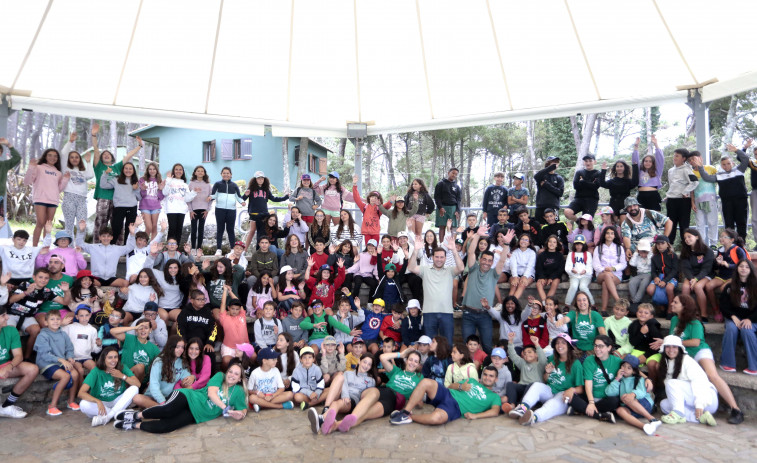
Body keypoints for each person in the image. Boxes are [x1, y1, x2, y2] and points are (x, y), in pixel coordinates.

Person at [648, 295, 744, 424]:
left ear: (684, 306)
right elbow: (673, 338)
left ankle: (735, 409)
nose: (672, 304)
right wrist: (666, 341)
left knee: (712, 375)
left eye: (675, 302)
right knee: (659, 367)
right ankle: (664, 401)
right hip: (682, 353)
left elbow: (695, 342)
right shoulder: (674, 319)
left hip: (699, 351)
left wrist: (675, 342)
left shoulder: (695, 322)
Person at [116, 360, 248, 432]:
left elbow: (243, 408)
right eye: (230, 371)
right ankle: (134, 416)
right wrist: (226, 409)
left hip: (198, 414)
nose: (231, 375)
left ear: (239, 379)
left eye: (236, 374)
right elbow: (212, 393)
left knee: (166, 426)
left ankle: (134, 425)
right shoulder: (220, 376)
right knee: (167, 410)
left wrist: (240, 414)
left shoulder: (239, 391)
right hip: (188, 397)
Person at [325, 349, 423, 433]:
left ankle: (336, 425)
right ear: (406, 360)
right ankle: (351, 416)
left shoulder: (419, 378)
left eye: (415, 361)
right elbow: (382, 357)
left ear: (418, 364)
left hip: (392, 399)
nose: (412, 363)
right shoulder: (397, 371)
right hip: (382, 390)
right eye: (410, 359)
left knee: (365, 415)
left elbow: (420, 399)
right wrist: (400, 354)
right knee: (373, 393)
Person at [511, 333, 584, 426]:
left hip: (563, 395)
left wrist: (572, 390)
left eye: (563, 343)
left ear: (569, 346)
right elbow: (545, 380)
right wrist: (548, 372)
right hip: (550, 391)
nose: (559, 345)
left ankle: (533, 417)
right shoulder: (552, 358)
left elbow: (580, 389)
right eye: (557, 343)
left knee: (551, 404)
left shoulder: (576, 364)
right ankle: (522, 408)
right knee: (537, 385)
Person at [391, 365, 502, 426]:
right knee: (425, 382)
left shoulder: (494, 396)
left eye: (491, 376)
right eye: (486, 375)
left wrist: (475, 416)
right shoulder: (472, 381)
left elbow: (495, 411)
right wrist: (460, 387)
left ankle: (409, 417)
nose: (487, 378)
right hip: (448, 394)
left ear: (496, 379)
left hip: (456, 408)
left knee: (436, 418)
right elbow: (450, 386)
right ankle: (405, 411)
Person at [408, 232, 464, 345]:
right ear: (432, 257)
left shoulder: (450, 270)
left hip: (447, 313)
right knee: (429, 344)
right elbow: (411, 267)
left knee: (447, 343)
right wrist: (415, 250)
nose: (439, 259)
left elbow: (461, 267)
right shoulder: (425, 269)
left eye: (442, 257)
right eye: (437, 257)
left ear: (445, 258)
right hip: (429, 313)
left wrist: (454, 251)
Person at [78, 346, 153, 426]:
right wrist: (97, 401)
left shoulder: (122, 367)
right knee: (83, 404)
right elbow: (81, 393)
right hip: (102, 404)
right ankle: (119, 413)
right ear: (104, 359)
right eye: (110, 358)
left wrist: (122, 376)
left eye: (115, 357)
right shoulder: (96, 371)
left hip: (117, 401)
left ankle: (108, 417)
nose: (113, 360)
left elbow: (138, 384)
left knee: (134, 388)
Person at [91, 123, 139, 243]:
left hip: (118, 201)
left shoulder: (117, 167)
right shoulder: (99, 166)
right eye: (104, 155)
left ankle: (118, 246)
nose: (106, 155)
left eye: (108, 154)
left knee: (117, 225)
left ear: (112, 157)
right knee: (101, 223)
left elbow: (128, 157)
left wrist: (139, 147)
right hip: (103, 198)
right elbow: (96, 152)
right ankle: (98, 245)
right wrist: (93, 136)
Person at [656, 335, 718, 426]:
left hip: (707, 400)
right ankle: (700, 418)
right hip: (691, 400)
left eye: (674, 347)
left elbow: (700, 382)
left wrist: (699, 404)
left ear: (680, 349)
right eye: (668, 346)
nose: (671, 350)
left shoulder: (687, 361)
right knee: (664, 405)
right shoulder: (665, 363)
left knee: (671, 383)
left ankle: (678, 414)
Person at [7, 267, 70, 356]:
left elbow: (65, 302)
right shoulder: (25, 284)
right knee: (10, 331)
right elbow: (11, 300)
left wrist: (66, 292)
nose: (43, 280)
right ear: (34, 277)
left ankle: (27, 358)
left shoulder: (47, 291)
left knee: (36, 330)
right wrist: (26, 292)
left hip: (28, 317)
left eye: (46, 278)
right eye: (40, 277)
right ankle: (10, 357)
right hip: (12, 314)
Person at [310, 353, 377, 434]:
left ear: (371, 367)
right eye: (364, 362)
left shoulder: (371, 380)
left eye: (369, 364)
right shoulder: (348, 373)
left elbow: (367, 397)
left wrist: (347, 398)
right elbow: (343, 384)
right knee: (339, 376)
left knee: (335, 404)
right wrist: (345, 395)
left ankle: (322, 418)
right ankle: (326, 410)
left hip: (351, 401)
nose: (366, 365)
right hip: (342, 395)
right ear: (359, 361)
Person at [695, 144, 750, 238]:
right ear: (721, 165)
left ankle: (741, 244)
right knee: (729, 224)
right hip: (726, 202)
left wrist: (736, 150)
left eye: (728, 163)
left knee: (742, 222)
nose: (726, 166)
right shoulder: (719, 175)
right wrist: (700, 167)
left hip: (741, 201)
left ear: (732, 163)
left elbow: (745, 160)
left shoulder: (739, 170)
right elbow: (706, 177)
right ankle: (730, 244)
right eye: (724, 164)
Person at [33, 310, 80, 416]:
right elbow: (44, 354)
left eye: (58, 319)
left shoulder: (63, 334)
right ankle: (52, 406)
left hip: (61, 362)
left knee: (75, 374)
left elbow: (69, 348)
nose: (55, 321)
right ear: (46, 322)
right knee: (65, 376)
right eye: (52, 319)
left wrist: (69, 357)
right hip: (46, 364)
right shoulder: (43, 335)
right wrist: (61, 360)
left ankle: (71, 401)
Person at [568, 334, 622, 422]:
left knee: (615, 401)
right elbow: (588, 383)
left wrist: (647, 379)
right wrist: (591, 402)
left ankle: (582, 410)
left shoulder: (617, 361)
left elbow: (632, 369)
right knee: (570, 397)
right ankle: (601, 414)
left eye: (601, 346)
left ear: (609, 348)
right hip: (591, 395)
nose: (597, 349)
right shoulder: (589, 360)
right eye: (595, 346)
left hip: (605, 397)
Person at [605, 354, 662, 436]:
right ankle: (644, 426)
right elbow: (609, 392)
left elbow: (642, 392)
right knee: (619, 410)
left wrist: (632, 394)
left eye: (629, 368)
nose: (625, 369)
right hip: (630, 407)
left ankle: (652, 419)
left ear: (634, 371)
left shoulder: (640, 379)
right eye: (623, 366)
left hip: (644, 404)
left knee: (627, 398)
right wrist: (617, 379)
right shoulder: (619, 379)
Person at [24, 147, 70, 246]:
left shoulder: (58, 173)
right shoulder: (38, 167)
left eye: (55, 156)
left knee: (48, 225)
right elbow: (26, 182)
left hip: (53, 201)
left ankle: (45, 248)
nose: (52, 158)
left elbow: (59, 189)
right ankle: (34, 247)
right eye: (50, 155)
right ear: (45, 156)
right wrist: (31, 167)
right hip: (40, 199)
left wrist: (65, 179)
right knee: (40, 223)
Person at [0, 305, 39, 418]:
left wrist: (9, 367)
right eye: (3, 316)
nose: (7, 318)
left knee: (32, 369)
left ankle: (7, 405)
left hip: (5, 363)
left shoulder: (11, 330)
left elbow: (18, 356)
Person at [719, 259, 757, 376]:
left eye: (747, 267)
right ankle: (728, 363)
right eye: (741, 266)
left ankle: (754, 366)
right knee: (731, 329)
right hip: (733, 317)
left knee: (747, 330)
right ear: (737, 269)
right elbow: (723, 305)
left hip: (753, 319)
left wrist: (750, 319)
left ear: (751, 270)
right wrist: (732, 316)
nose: (744, 269)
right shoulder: (730, 286)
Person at [76, 219, 136, 287]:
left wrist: (132, 234)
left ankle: (119, 297)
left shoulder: (117, 249)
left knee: (126, 283)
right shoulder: (93, 247)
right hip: (96, 278)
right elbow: (79, 243)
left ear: (111, 238)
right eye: (103, 236)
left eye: (108, 236)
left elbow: (130, 247)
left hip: (111, 278)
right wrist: (81, 231)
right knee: (89, 283)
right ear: (100, 237)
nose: (106, 238)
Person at [705, 229, 747, 322]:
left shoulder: (738, 249)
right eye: (720, 236)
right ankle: (716, 311)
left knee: (724, 288)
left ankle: (729, 311)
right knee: (708, 286)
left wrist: (728, 265)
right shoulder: (720, 250)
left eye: (724, 237)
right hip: (722, 276)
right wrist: (717, 262)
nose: (721, 238)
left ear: (731, 240)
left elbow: (744, 264)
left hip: (734, 276)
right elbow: (715, 266)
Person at [59, 132, 94, 239]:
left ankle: (79, 246)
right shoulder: (65, 168)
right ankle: (69, 248)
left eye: (77, 157)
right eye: (72, 157)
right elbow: (64, 153)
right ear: (69, 159)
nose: (74, 159)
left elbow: (91, 174)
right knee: (69, 225)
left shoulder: (82, 171)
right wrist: (70, 141)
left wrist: (88, 162)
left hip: (82, 200)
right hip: (69, 197)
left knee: (82, 224)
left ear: (80, 159)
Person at [504, 332, 548, 409]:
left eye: (529, 352)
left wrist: (537, 344)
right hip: (522, 387)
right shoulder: (522, 363)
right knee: (510, 384)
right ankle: (512, 405)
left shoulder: (540, 365)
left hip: (534, 390)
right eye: (524, 353)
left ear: (536, 354)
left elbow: (543, 358)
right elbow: (513, 355)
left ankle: (522, 406)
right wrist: (510, 342)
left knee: (532, 385)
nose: (527, 354)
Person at [554, 292, 606, 357]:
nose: (582, 302)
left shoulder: (596, 315)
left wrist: (602, 346)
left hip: (592, 349)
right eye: (579, 300)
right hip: (576, 349)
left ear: (588, 301)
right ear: (576, 303)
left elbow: (602, 332)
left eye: (584, 300)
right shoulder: (573, 314)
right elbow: (566, 318)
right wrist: (562, 320)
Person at [621, 196, 672, 262]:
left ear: (638, 206)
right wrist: (628, 248)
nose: (632, 208)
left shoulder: (649, 213)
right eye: (629, 207)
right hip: (640, 249)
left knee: (667, 250)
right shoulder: (626, 222)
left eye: (634, 205)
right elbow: (626, 237)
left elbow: (668, 222)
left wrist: (664, 238)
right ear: (626, 209)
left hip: (656, 244)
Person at [680, 228, 715, 321]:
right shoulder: (685, 251)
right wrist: (691, 278)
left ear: (697, 237)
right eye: (685, 238)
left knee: (698, 287)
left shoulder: (707, 250)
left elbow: (706, 269)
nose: (687, 239)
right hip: (691, 275)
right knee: (685, 287)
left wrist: (696, 279)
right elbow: (686, 268)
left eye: (689, 236)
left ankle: (704, 314)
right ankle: (687, 313)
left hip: (706, 274)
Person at [111, 318, 161, 383]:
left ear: (150, 330)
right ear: (136, 330)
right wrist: (134, 327)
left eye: (146, 328)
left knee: (140, 367)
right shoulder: (129, 339)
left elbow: (159, 366)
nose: (143, 330)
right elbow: (113, 331)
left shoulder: (154, 348)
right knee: (139, 367)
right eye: (140, 328)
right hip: (124, 377)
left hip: (141, 382)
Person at [665, 148, 698, 244]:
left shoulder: (687, 169)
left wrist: (685, 191)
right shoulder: (670, 171)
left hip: (683, 201)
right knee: (671, 224)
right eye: (674, 155)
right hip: (671, 201)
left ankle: (686, 247)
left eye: (677, 156)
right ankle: (669, 247)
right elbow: (671, 184)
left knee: (684, 225)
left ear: (683, 158)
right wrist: (669, 194)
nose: (674, 158)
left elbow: (695, 182)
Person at [145, 336, 191, 406]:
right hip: (152, 396)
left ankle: (162, 409)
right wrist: (162, 401)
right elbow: (154, 385)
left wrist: (193, 377)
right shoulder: (159, 361)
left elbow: (186, 379)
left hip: (169, 398)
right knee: (137, 398)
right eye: (178, 347)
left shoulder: (182, 362)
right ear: (171, 347)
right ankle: (164, 408)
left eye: (182, 347)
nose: (181, 350)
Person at [687, 152, 720, 247]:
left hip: (711, 200)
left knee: (712, 222)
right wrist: (692, 202)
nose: (692, 161)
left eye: (693, 158)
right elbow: (691, 190)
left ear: (700, 157)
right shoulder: (691, 173)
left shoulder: (710, 168)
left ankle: (713, 244)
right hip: (698, 201)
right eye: (689, 160)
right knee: (700, 223)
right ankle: (701, 244)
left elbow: (719, 180)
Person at [248, 347, 295, 412]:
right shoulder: (255, 373)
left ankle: (261, 405)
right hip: (261, 397)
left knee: (290, 394)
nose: (276, 360)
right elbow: (249, 390)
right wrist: (257, 392)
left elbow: (282, 388)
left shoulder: (276, 370)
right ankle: (280, 406)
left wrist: (272, 396)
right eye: (273, 359)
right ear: (264, 361)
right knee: (252, 398)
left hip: (274, 396)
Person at [593, 226, 627, 315]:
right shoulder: (598, 248)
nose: (609, 235)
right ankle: (618, 300)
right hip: (601, 274)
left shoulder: (619, 247)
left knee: (605, 283)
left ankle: (604, 310)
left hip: (616, 275)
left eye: (612, 233)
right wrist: (605, 270)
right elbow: (596, 265)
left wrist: (613, 269)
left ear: (615, 235)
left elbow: (624, 264)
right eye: (607, 233)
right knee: (607, 276)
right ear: (604, 235)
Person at [162, 163, 197, 244]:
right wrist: (169, 180)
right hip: (171, 209)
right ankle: (170, 249)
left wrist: (194, 192)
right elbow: (164, 192)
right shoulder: (169, 181)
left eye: (180, 169)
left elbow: (187, 198)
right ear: (173, 171)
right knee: (172, 229)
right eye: (176, 169)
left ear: (183, 172)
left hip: (181, 210)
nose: (178, 171)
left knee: (179, 230)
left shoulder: (184, 185)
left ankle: (176, 249)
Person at [646, 235, 678, 317]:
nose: (660, 245)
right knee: (650, 290)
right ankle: (662, 307)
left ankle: (670, 310)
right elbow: (653, 271)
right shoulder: (654, 257)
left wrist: (665, 280)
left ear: (667, 244)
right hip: (659, 276)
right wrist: (655, 277)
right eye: (658, 243)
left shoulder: (673, 255)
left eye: (662, 243)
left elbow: (675, 270)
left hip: (671, 277)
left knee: (669, 288)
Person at [598, 155, 638, 220]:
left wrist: (635, 167)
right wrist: (603, 170)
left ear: (625, 168)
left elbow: (635, 182)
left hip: (625, 204)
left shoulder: (628, 181)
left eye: (621, 166)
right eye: (618, 166)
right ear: (615, 168)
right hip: (614, 203)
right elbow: (602, 183)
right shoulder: (611, 181)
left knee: (623, 222)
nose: (619, 168)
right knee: (614, 222)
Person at [565, 154, 601, 223]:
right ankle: (579, 222)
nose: (588, 163)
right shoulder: (579, 172)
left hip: (592, 200)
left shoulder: (598, 173)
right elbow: (576, 186)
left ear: (594, 162)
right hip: (579, 199)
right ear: (584, 162)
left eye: (590, 161)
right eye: (586, 161)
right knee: (567, 212)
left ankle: (585, 227)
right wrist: (591, 183)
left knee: (587, 221)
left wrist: (583, 182)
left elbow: (596, 186)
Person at [632, 134, 664, 211]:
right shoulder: (640, 171)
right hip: (641, 196)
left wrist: (656, 144)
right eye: (646, 161)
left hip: (653, 196)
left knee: (654, 219)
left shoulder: (657, 171)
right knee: (642, 219)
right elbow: (635, 161)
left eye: (650, 161)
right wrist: (636, 146)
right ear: (643, 162)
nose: (648, 163)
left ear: (653, 163)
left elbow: (660, 159)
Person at [138, 162, 165, 242]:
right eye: (150, 169)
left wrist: (160, 189)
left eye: (154, 169)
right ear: (147, 170)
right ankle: (143, 244)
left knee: (154, 227)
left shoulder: (159, 180)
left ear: (156, 170)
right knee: (148, 227)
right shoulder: (142, 180)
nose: (152, 171)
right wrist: (143, 190)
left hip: (155, 206)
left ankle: (152, 247)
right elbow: (141, 196)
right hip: (145, 206)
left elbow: (161, 197)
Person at [433, 168, 462, 242]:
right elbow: (437, 197)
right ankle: (442, 244)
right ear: (448, 172)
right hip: (442, 207)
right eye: (453, 173)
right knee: (442, 227)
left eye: (456, 174)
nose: (454, 175)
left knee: (453, 227)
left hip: (453, 208)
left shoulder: (457, 186)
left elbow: (458, 199)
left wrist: (457, 210)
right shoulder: (441, 184)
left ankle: (451, 244)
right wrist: (440, 207)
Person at [565, 235, 594, 306]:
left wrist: (585, 271)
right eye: (577, 244)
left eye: (580, 244)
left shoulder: (587, 254)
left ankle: (592, 303)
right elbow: (567, 267)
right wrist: (572, 270)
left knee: (583, 286)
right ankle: (567, 305)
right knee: (574, 286)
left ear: (584, 245)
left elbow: (590, 267)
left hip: (585, 276)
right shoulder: (571, 254)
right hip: (574, 276)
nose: (578, 246)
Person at [535, 235, 564, 301]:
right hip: (544, 276)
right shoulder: (542, 255)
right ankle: (545, 303)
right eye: (550, 242)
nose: (551, 244)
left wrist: (552, 277)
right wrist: (542, 277)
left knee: (555, 282)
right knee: (539, 283)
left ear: (557, 244)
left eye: (554, 242)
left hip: (555, 276)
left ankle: (548, 302)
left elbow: (560, 269)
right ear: (547, 243)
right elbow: (538, 268)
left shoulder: (560, 255)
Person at [628, 239, 653, 313]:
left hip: (648, 274)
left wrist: (649, 254)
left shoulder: (650, 256)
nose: (642, 254)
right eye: (640, 252)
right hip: (639, 274)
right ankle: (636, 301)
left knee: (644, 283)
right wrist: (636, 253)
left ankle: (634, 301)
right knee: (632, 282)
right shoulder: (638, 256)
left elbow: (649, 263)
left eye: (644, 252)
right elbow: (632, 263)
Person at [0, 137, 22, 220]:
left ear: (1, 154)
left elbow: (17, 157)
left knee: (0, 222)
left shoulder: (4, 165)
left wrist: (8, 145)